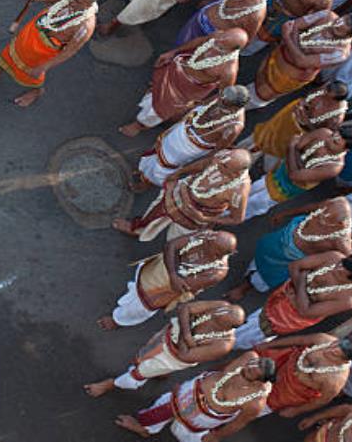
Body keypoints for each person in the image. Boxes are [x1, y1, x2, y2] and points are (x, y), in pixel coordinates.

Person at [0, 0, 100, 107]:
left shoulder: (85, 26)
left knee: (31, 72)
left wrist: (44, 67)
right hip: (32, 31)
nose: (72, 1)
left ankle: (36, 91)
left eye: (78, 2)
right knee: (12, 50)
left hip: (42, 50)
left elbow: (70, 51)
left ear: (88, 5)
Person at [85, 300, 244, 395]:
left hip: (172, 358)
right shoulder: (222, 306)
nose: (215, 313)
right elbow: (185, 308)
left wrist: (183, 329)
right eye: (217, 312)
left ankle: (111, 384)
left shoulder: (223, 344)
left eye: (218, 320)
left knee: (139, 372)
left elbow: (185, 356)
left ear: (227, 327)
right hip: (167, 335)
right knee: (143, 354)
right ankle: (161, 373)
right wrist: (187, 335)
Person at [115, 352, 275, 441]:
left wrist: (215, 436)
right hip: (191, 390)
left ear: (257, 383)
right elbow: (223, 367)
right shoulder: (249, 357)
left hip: (203, 417)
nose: (246, 368)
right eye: (251, 364)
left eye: (250, 372)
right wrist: (195, 380)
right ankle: (144, 429)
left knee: (183, 434)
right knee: (162, 407)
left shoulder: (255, 402)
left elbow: (238, 423)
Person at [119, 28, 246, 137]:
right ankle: (155, 96)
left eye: (222, 44)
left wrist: (197, 105)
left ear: (232, 50)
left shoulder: (228, 71)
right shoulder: (218, 36)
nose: (218, 41)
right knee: (156, 90)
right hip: (178, 70)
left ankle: (139, 126)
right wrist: (173, 52)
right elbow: (200, 41)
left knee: (159, 110)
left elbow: (222, 94)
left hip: (185, 91)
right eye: (221, 37)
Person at [233, 251, 352, 349]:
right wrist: (300, 290)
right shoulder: (334, 257)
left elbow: (306, 312)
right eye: (341, 264)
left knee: (251, 335)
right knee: (253, 318)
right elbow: (295, 265)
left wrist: (300, 283)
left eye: (343, 270)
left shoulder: (347, 299)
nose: (338, 267)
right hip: (281, 296)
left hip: (289, 318)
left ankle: (225, 343)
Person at [101, 230, 235, 329]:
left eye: (211, 243)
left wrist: (172, 264)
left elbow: (178, 286)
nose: (208, 239)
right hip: (156, 271)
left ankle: (118, 321)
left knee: (138, 307)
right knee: (137, 285)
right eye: (212, 237)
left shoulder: (215, 272)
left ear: (217, 254)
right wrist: (172, 272)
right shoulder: (208, 237)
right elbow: (171, 245)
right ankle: (131, 293)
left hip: (162, 289)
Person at [227, 197, 352, 300]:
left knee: (262, 278)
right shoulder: (330, 206)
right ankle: (250, 271)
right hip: (275, 243)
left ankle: (244, 287)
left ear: (339, 225)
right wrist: (285, 213)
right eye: (319, 212)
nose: (316, 217)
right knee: (258, 260)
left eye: (324, 220)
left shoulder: (340, 241)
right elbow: (311, 207)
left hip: (283, 262)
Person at [114, 148, 251, 240]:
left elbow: (236, 219)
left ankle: (169, 258)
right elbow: (205, 163)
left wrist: (205, 219)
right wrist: (180, 173)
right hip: (181, 191)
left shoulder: (239, 191)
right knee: (154, 213)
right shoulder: (223, 157)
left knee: (178, 239)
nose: (218, 163)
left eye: (224, 166)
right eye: (221, 160)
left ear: (236, 173)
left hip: (195, 214)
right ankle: (138, 230)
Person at [134, 86, 248, 190]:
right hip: (181, 129)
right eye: (221, 96)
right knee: (158, 150)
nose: (220, 100)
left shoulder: (233, 127)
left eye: (224, 102)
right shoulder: (224, 96)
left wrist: (189, 169)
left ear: (234, 107)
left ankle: (147, 183)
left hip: (187, 149)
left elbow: (215, 153)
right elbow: (202, 105)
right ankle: (144, 172)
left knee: (163, 167)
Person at [249, 12, 352, 108]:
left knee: (261, 94)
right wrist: (297, 48)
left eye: (340, 29)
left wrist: (288, 38)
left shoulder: (340, 53)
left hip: (289, 76)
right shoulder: (326, 15)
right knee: (258, 76)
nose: (336, 24)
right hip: (278, 55)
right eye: (338, 21)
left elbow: (301, 62)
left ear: (349, 35)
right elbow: (294, 25)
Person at [244, 127, 351, 220]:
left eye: (335, 142)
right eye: (332, 136)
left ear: (346, 149)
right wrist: (298, 162)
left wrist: (292, 148)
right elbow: (299, 146)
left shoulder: (334, 167)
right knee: (251, 189)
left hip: (284, 189)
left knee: (256, 204)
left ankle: (233, 216)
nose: (329, 140)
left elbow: (294, 175)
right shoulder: (323, 133)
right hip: (276, 173)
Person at [245, 81, 348, 169]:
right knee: (262, 135)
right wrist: (303, 105)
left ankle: (263, 170)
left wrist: (306, 122)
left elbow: (322, 134)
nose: (323, 96)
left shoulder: (336, 117)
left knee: (274, 156)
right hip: (287, 117)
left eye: (327, 97)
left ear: (335, 101)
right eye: (324, 92)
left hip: (297, 132)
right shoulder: (326, 88)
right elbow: (310, 95)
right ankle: (244, 153)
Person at [254, 334, 352, 418]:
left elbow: (321, 401)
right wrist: (269, 345)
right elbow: (300, 340)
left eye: (335, 354)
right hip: (283, 364)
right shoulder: (324, 339)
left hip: (290, 392)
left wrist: (296, 410)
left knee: (257, 406)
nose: (329, 350)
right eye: (334, 345)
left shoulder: (335, 381)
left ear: (344, 360)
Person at [175, 0, 266, 44]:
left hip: (210, 36)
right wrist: (211, 0)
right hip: (198, 21)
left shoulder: (254, 15)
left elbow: (247, 38)